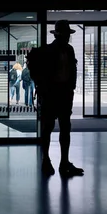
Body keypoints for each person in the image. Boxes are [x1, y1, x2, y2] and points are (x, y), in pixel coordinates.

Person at [35, 20, 83, 177]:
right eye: (66, 35)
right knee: (52, 128)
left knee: (61, 128)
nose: (67, 38)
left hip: (62, 94)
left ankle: (60, 161)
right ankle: (50, 160)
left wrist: (71, 88)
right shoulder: (52, 51)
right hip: (53, 94)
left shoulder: (67, 50)